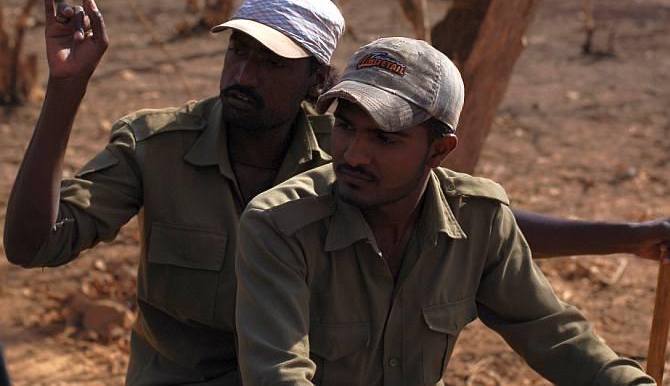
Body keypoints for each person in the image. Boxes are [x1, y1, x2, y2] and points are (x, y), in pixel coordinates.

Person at [2, 0, 668, 385]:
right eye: (237, 52)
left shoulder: (347, 149)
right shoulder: (158, 146)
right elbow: (34, 244)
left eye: (270, 61)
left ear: (317, 79)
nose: (242, 74)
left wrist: (627, 234)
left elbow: (471, 229)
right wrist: (67, 90)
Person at [235, 37, 656, 385]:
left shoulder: (480, 219)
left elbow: (552, 334)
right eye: (346, 127)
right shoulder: (279, 225)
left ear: (439, 150)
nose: (355, 155)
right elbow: (278, 376)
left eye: (385, 139)